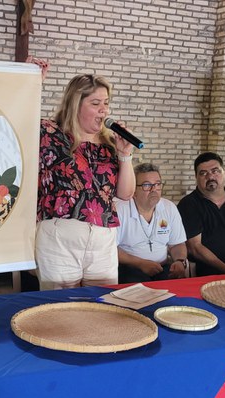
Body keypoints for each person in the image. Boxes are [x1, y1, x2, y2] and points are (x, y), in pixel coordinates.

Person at [35, 74, 136, 290]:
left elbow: (126, 194)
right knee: (62, 308)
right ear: (75, 104)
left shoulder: (110, 143)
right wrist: (30, 81)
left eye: (106, 103)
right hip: (60, 235)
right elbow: (17, 120)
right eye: (96, 103)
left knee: (101, 304)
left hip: (103, 237)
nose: (104, 110)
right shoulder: (50, 134)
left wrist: (125, 155)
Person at [116, 163, 188, 283]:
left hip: (162, 268)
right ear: (133, 190)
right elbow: (110, 248)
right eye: (147, 185)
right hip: (130, 268)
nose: (154, 189)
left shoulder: (169, 208)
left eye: (158, 184)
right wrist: (140, 263)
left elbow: (177, 244)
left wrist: (179, 261)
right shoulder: (120, 209)